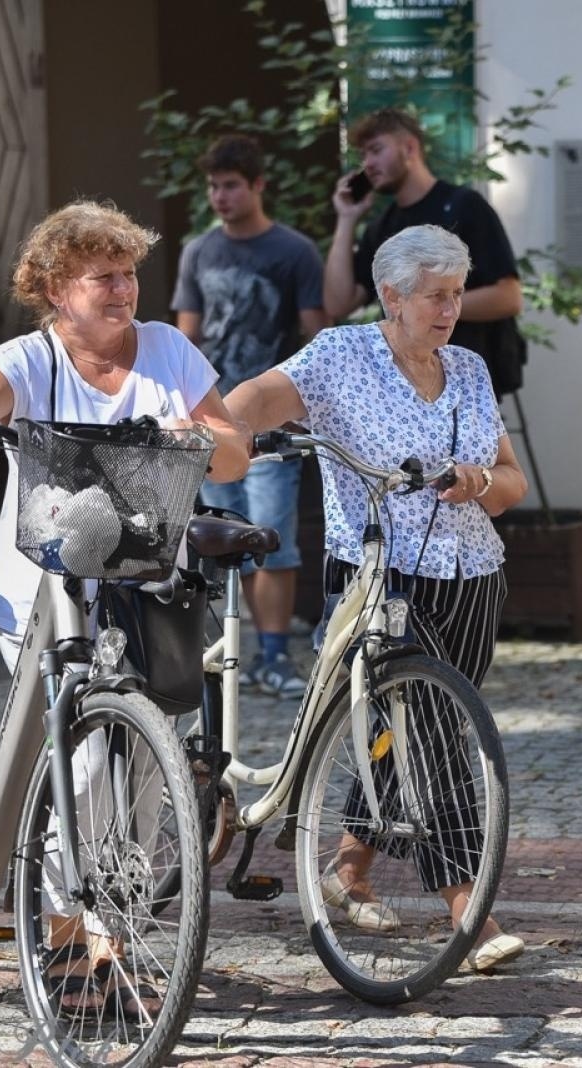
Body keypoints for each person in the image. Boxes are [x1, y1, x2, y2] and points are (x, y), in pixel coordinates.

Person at [0, 199, 250, 1014]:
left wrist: (201, 434)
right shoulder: (29, 358)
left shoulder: (169, 350)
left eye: (130, 273)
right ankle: (66, 933)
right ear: (53, 286)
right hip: (44, 590)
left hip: (149, 584)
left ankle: (116, 923)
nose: (123, 290)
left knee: (149, 767)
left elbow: (232, 449)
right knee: (81, 767)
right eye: (103, 276)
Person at [226, 223, 530, 973]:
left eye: (457, 294)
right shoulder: (341, 355)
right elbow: (260, 399)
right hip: (379, 578)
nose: (450, 309)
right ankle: (471, 910)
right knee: (431, 736)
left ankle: (348, 868)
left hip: (471, 578)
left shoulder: (468, 369)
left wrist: (480, 482)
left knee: (402, 730)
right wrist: (214, 433)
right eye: (435, 295)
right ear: (390, 295)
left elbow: (510, 483)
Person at [172, 133, 328, 698]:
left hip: (271, 423)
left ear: (258, 185)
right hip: (211, 420)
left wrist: (308, 409)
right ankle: (229, 655)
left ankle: (274, 655)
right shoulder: (198, 251)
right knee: (219, 536)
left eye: (231, 185)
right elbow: (185, 337)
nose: (220, 196)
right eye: (213, 186)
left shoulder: (293, 251)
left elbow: (316, 336)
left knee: (274, 537)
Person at [323, 107, 525, 396]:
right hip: (402, 388)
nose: (367, 163)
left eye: (376, 150)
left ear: (409, 147)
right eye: (364, 155)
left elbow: (509, 297)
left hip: (466, 385)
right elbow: (338, 304)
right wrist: (345, 219)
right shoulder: (383, 226)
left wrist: (432, 305)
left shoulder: (464, 206)